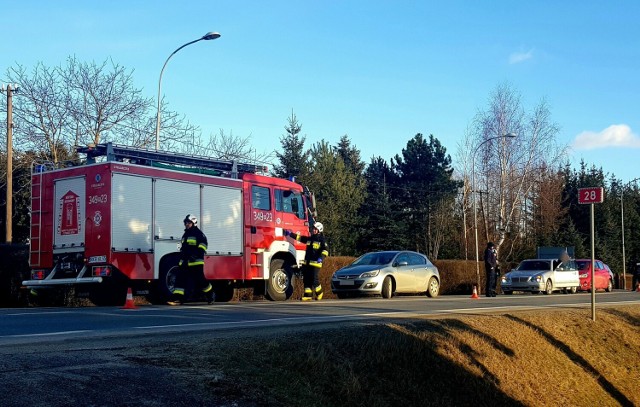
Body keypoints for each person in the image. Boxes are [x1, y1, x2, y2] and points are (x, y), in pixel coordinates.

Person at [168, 214, 214, 305]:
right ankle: (178, 298)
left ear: (194, 223)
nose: (186, 224)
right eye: (186, 223)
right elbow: (184, 248)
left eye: (189, 223)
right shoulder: (185, 234)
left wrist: (196, 255)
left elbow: (203, 245)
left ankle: (210, 295)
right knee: (180, 279)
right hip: (185, 262)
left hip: (195, 262)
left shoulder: (198, 234)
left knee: (200, 281)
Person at [284, 222, 329, 301]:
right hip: (307, 263)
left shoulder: (322, 240)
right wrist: (290, 234)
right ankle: (308, 295)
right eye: (313, 229)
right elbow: (300, 238)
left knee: (314, 279)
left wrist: (320, 258)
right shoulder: (310, 238)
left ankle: (319, 293)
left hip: (316, 263)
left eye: (315, 229)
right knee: (306, 279)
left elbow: (325, 250)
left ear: (319, 230)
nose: (313, 230)